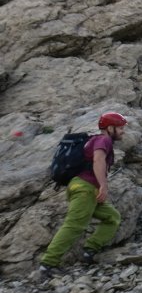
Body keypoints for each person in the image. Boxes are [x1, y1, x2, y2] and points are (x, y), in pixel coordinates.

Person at [39, 112, 127, 276]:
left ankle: (90, 250)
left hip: (83, 187)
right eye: (121, 128)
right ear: (110, 128)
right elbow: (98, 160)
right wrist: (103, 185)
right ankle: (48, 264)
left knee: (112, 217)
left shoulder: (93, 139)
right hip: (85, 189)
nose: (123, 131)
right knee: (74, 225)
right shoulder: (104, 140)